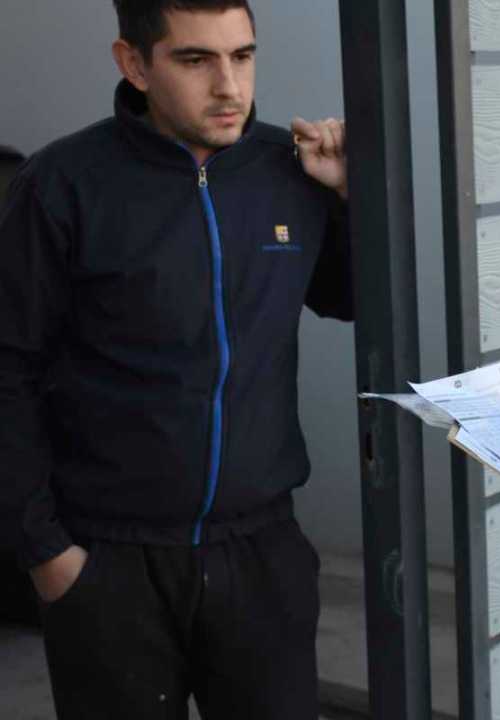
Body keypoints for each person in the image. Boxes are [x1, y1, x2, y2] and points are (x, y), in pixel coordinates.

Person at [0, 1, 353, 717]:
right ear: (133, 63)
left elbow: (350, 299)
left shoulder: (288, 173)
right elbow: (8, 370)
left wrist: (347, 197)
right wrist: (47, 554)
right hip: (109, 562)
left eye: (242, 56)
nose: (229, 86)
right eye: (196, 60)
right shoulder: (60, 184)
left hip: (262, 554)